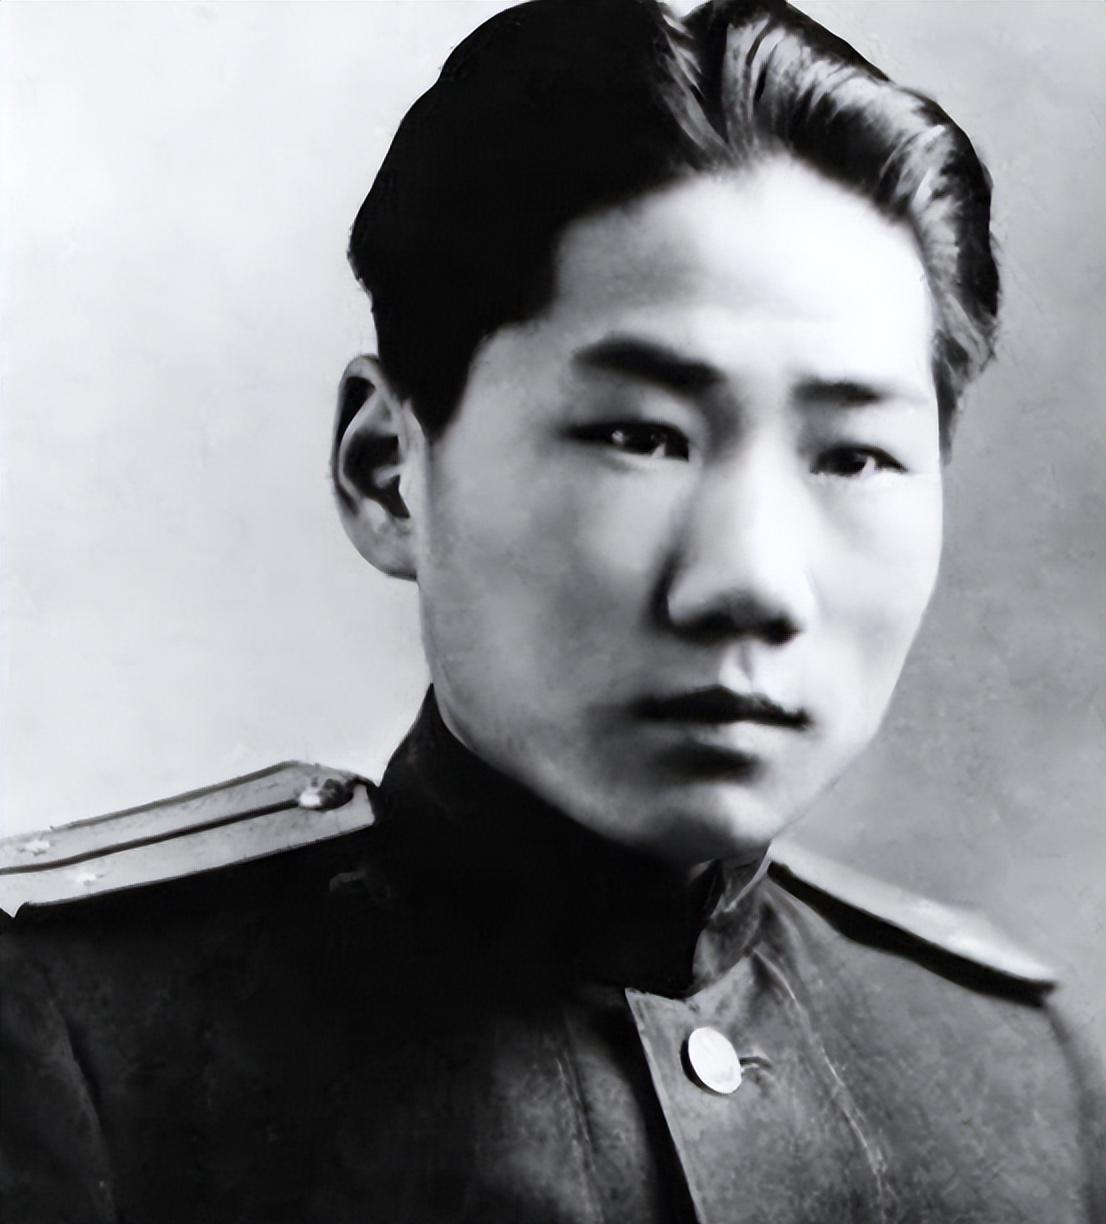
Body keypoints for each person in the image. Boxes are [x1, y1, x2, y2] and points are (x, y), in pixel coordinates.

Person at [1, 1, 1101, 1220]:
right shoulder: (69, 1043)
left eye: (851, 456)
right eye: (639, 436)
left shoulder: (1018, 1081)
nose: (750, 581)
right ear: (387, 472)